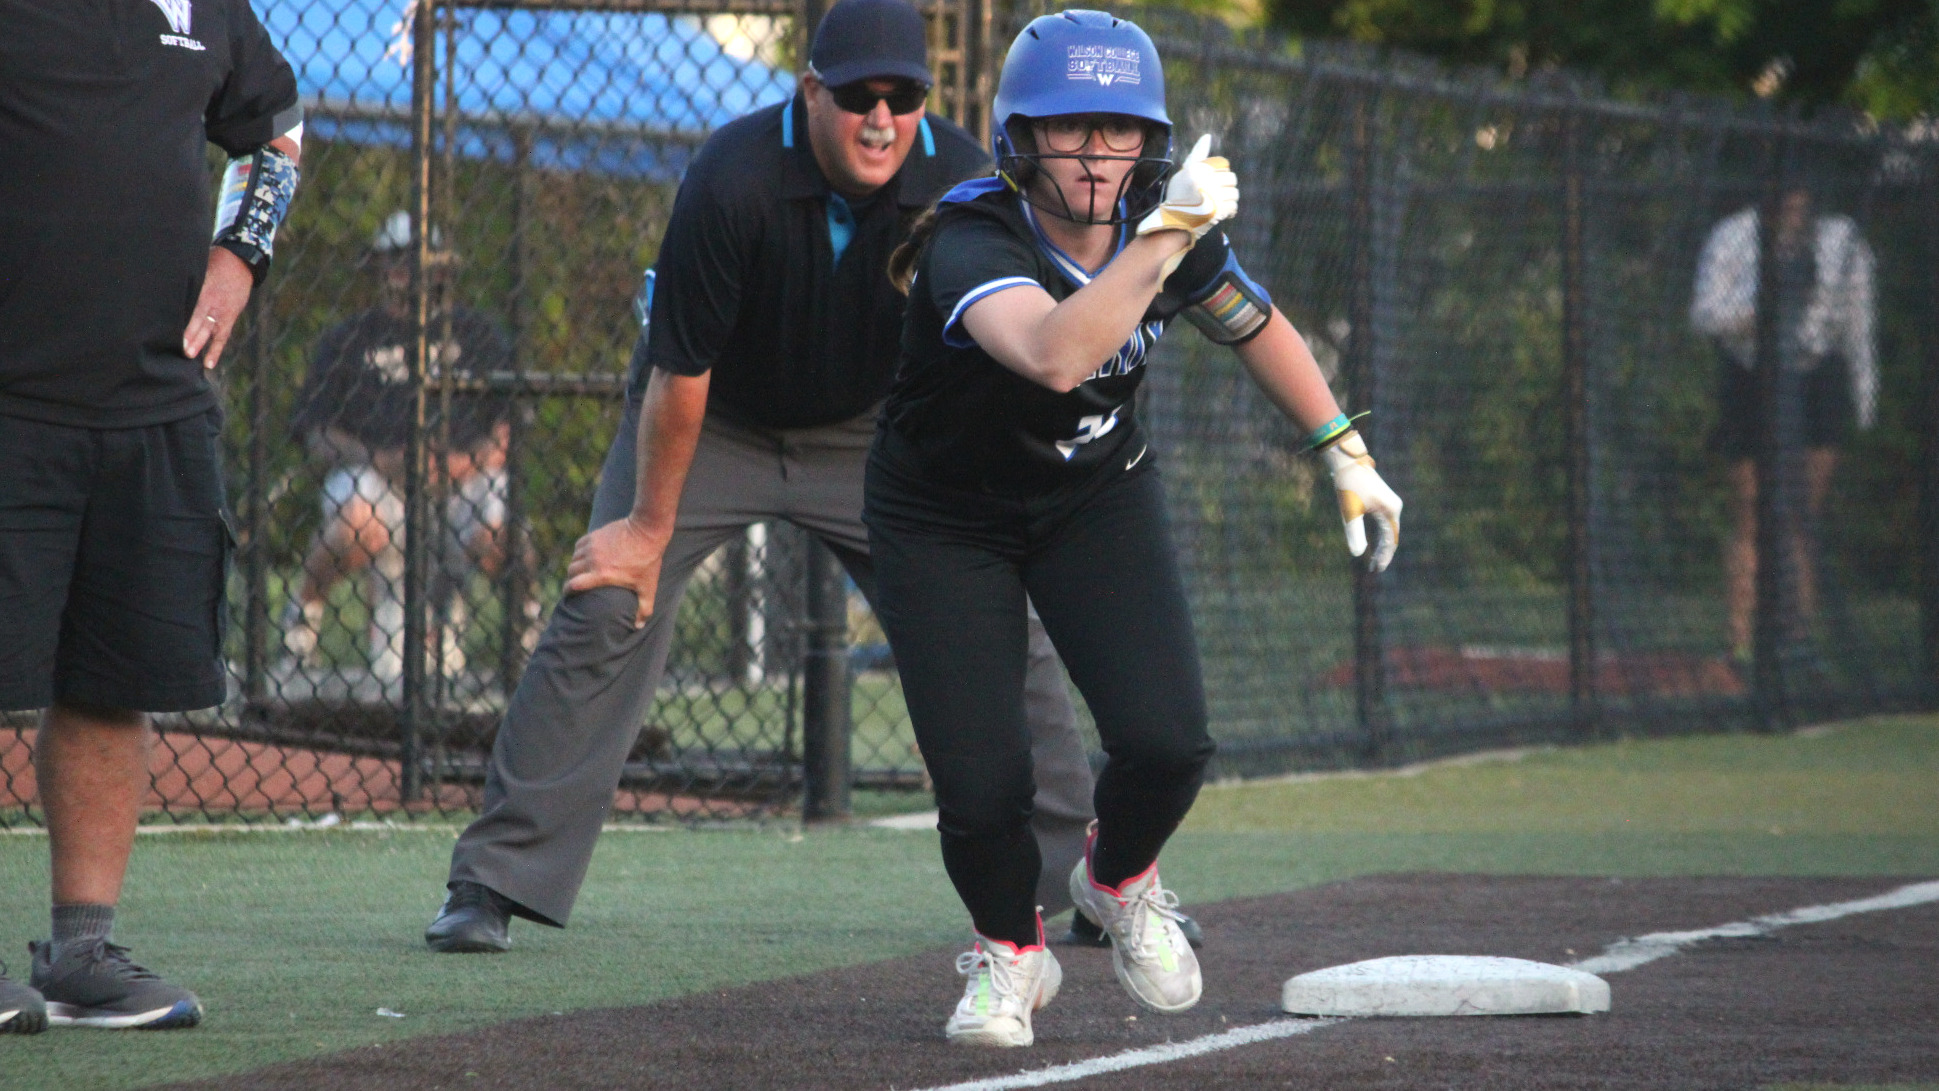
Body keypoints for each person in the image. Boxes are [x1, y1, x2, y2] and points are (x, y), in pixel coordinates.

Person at [423, 0, 1195, 954]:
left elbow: (1025, 349)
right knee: (608, 600)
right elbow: (680, 374)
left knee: (1014, 639)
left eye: (903, 95)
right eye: (857, 95)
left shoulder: (960, 178)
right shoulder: (730, 176)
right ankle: (492, 879)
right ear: (809, 92)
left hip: (876, 440)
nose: (881, 118)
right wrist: (647, 531)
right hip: (711, 424)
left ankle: (1081, 885)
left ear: (925, 101)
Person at [865, 10, 1402, 1046]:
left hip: (1089, 490)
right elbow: (1058, 353)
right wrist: (1163, 240)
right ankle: (1009, 954)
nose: (1097, 153)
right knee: (982, 785)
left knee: (1168, 739)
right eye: (1070, 128)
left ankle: (1115, 879)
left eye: (1119, 129)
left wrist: (1342, 445)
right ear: (1019, 135)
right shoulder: (972, 234)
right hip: (943, 515)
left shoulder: (1161, 215)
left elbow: (1253, 322)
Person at [0, 0, 301, 1031]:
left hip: (155, 406)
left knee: (111, 678)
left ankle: (81, 954)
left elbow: (276, 130)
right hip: (10, 403)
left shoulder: (206, 3)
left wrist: (240, 253)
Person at [284, 212, 519, 684]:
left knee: (502, 527)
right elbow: (317, 433)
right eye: (395, 259)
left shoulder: (474, 333)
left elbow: (509, 427)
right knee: (354, 515)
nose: (406, 271)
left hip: (462, 483)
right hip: (380, 481)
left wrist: (460, 464)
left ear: (440, 269)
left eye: (418, 261)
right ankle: (298, 632)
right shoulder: (349, 339)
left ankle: (528, 636)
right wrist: (378, 459)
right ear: (379, 265)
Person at [1691, 187, 1876, 664]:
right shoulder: (1733, 236)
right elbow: (1704, 314)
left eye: (1800, 199)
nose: (1793, 208)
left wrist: (1863, 395)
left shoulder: (1843, 241)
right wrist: (1753, 319)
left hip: (1816, 376)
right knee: (1751, 509)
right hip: (1751, 373)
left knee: (1801, 513)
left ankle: (1797, 642)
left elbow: (1858, 324)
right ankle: (1742, 644)